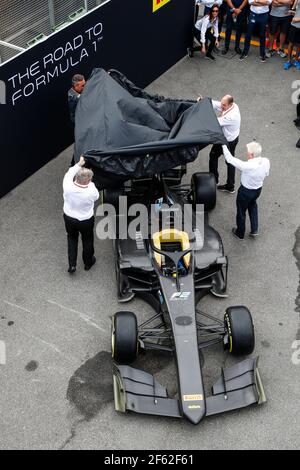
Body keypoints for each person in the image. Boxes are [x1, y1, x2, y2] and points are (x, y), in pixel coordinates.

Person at [222, 142, 270, 239]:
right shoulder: (266, 161)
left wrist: (223, 144)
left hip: (245, 191)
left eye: (248, 152)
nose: (246, 154)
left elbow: (229, 159)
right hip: (257, 190)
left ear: (252, 155)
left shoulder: (248, 165)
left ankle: (240, 233)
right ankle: (254, 229)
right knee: (253, 205)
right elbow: (266, 174)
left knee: (241, 211)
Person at [63, 156, 99, 274]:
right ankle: (88, 263)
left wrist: (79, 163)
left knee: (72, 239)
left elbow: (69, 172)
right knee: (87, 240)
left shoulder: (67, 185)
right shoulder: (91, 190)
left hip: (69, 217)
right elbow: (96, 197)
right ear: (88, 181)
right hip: (85, 220)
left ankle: (72, 265)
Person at [201, 94, 241, 193]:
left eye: (224, 105)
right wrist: (205, 101)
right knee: (230, 161)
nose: (222, 106)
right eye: (222, 104)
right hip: (232, 139)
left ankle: (214, 180)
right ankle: (230, 185)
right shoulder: (232, 106)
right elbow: (218, 105)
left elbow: (214, 122)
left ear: (230, 104)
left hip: (226, 141)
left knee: (213, 156)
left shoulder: (231, 116)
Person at [283, 1, 300, 69]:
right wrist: (292, 12)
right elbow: (296, 10)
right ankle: (288, 61)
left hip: (296, 22)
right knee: (291, 43)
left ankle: (296, 60)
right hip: (294, 25)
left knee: (299, 45)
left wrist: (298, 19)